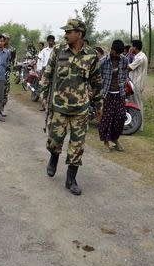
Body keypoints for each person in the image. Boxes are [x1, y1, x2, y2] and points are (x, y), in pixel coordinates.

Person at [40, 19, 102, 196]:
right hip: (59, 106)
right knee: (54, 141)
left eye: (69, 32)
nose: (65, 35)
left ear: (79, 34)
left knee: (77, 145)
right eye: (65, 32)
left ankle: (71, 179)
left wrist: (99, 105)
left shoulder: (91, 56)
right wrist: (43, 95)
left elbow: (97, 83)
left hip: (80, 109)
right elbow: (48, 73)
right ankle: (53, 158)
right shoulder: (59, 50)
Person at [98, 40, 129, 152]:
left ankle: (115, 139)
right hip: (107, 94)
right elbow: (96, 76)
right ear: (111, 50)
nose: (117, 55)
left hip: (120, 93)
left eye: (119, 54)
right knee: (107, 118)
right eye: (115, 53)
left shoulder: (124, 60)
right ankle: (106, 142)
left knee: (120, 117)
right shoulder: (103, 61)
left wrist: (123, 86)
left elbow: (125, 73)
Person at [128, 40, 148, 130]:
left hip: (137, 83)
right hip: (134, 82)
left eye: (132, 46)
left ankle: (139, 126)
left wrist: (128, 54)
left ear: (135, 47)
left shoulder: (141, 58)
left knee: (137, 104)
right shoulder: (138, 56)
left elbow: (129, 67)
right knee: (134, 103)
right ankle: (134, 124)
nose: (131, 48)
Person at [38, 35, 55, 111]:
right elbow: (41, 61)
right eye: (50, 40)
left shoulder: (56, 50)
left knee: (54, 87)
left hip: (54, 70)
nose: (51, 42)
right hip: (45, 70)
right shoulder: (44, 51)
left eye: (52, 40)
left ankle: (51, 106)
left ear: (54, 41)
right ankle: (43, 105)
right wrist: (40, 71)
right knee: (44, 87)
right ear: (48, 41)